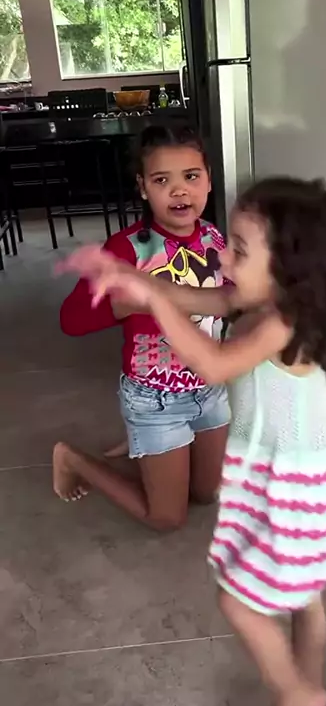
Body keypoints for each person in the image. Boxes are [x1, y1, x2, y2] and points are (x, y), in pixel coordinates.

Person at [59, 176, 326, 706]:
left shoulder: (283, 324)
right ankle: (303, 687)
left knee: (238, 601)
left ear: (291, 270)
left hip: (305, 491)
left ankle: (298, 695)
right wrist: (131, 276)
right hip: (307, 482)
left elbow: (211, 364)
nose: (222, 258)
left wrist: (152, 301)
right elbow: (199, 298)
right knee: (304, 596)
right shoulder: (260, 304)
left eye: (240, 251)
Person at [54, 124, 231, 531]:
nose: (179, 190)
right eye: (161, 180)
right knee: (166, 518)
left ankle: (142, 445)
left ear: (208, 179)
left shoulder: (215, 238)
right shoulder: (127, 248)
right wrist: (126, 301)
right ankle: (73, 459)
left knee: (207, 494)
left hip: (210, 389)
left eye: (191, 176)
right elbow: (71, 320)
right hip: (156, 399)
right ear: (143, 188)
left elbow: (235, 298)